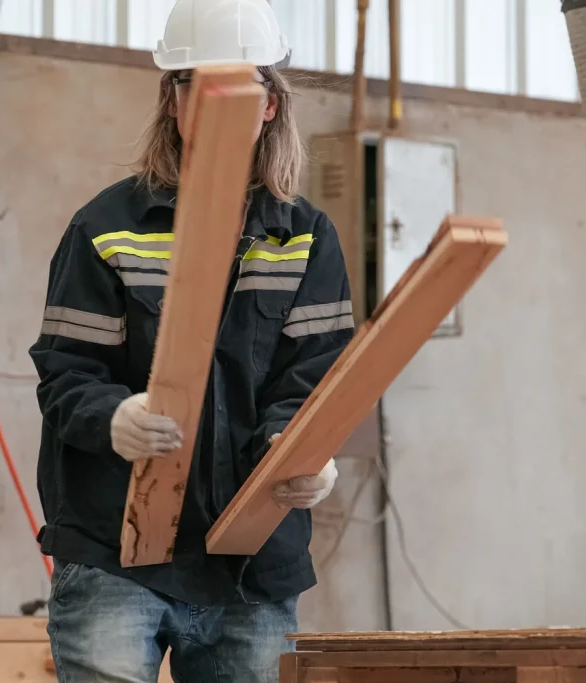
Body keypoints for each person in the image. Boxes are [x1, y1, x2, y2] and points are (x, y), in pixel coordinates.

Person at [28, 1, 354, 681]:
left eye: (238, 86)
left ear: (270, 103)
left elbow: (315, 380)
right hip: (115, 550)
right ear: (171, 100)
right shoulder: (105, 228)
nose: (213, 103)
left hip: (251, 568)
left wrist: (303, 449)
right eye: (192, 83)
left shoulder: (304, 238)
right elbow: (65, 374)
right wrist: (112, 417)